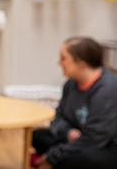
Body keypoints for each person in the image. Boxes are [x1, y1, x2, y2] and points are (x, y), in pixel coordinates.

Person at [31, 36, 117, 169]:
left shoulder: (108, 88)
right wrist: (69, 133)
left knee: (80, 159)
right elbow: (58, 116)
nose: (59, 63)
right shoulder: (70, 84)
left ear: (82, 62)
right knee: (37, 136)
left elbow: (95, 139)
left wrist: (53, 157)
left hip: (104, 145)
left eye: (63, 58)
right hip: (79, 139)